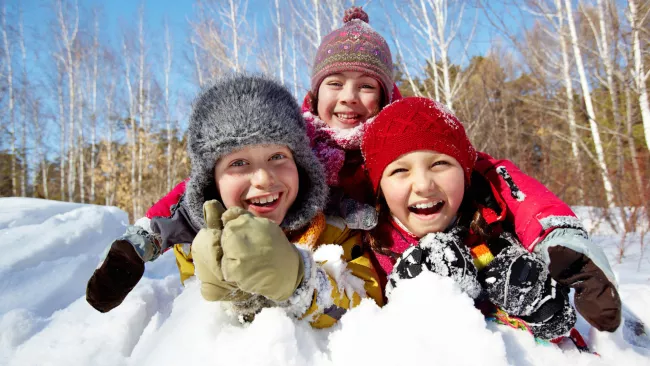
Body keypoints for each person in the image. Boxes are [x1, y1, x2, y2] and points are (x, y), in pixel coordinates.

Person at [86, 74, 383, 328]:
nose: (264, 179)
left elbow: (364, 305)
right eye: (239, 163)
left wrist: (301, 281)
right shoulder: (196, 241)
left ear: (301, 164)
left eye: (277, 156)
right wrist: (233, 298)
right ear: (211, 181)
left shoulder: (333, 228)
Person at [360, 96, 621, 340]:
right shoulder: (369, 248)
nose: (423, 185)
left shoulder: (488, 230)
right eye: (400, 170)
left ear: (465, 173)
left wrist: (543, 311)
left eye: (439, 164)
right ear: (379, 187)